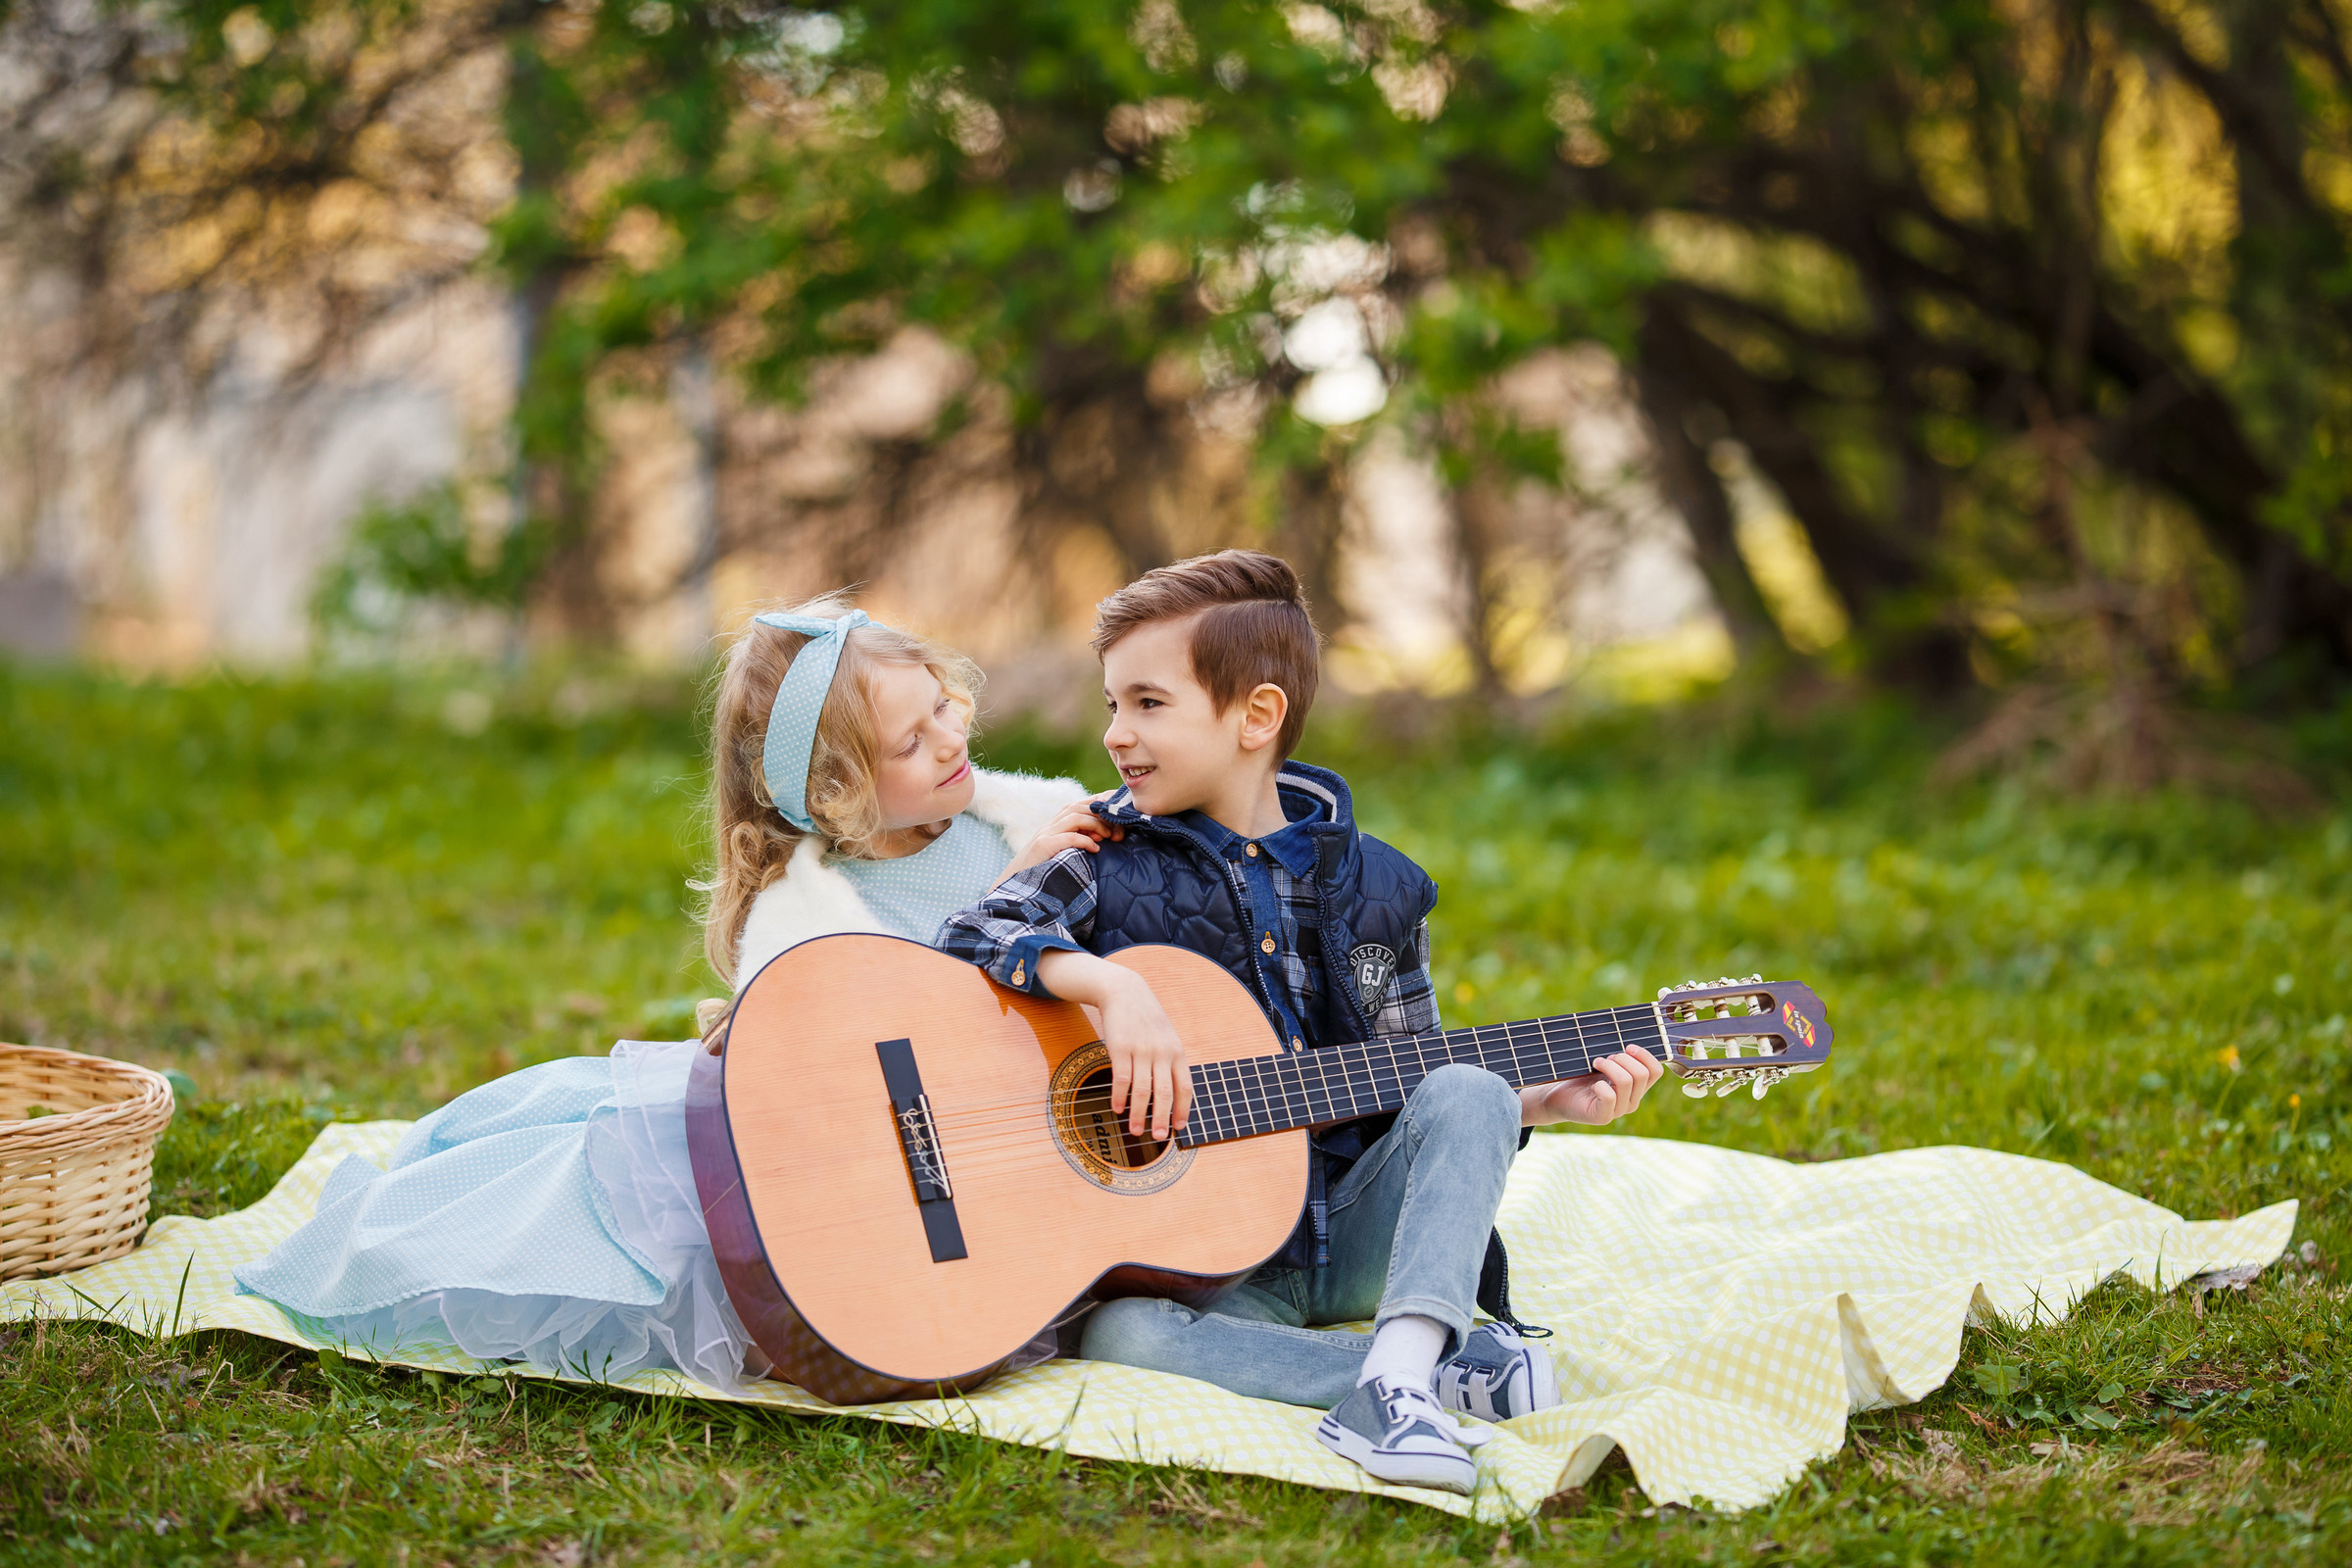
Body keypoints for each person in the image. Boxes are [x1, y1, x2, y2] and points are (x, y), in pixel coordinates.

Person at [938, 551, 1665, 1494]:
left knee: (1471, 1081)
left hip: (1358, 1236)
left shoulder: (1381, 890)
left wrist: (1539, 1106)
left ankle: (1392, 1388)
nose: (1115, 734)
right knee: (1119, 1334)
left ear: (1257, 716)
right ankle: (1437, 1376)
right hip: (1207, 1265)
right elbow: (967, 939)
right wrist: (1111, 989)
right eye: (1113, 703)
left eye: (1148, 704)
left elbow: (1412, 1085)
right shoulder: (1098, 853)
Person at [234, 600, 1096, 1390]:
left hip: (989, 1164)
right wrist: (1009, 901)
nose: (949, 740)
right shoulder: (818, 906)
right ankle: (405, 1231)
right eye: (909, 743)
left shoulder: (1015, 820)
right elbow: (899, 1023)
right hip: (834, 1170)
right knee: (583, 1199)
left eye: (942, 705)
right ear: (837, 795)